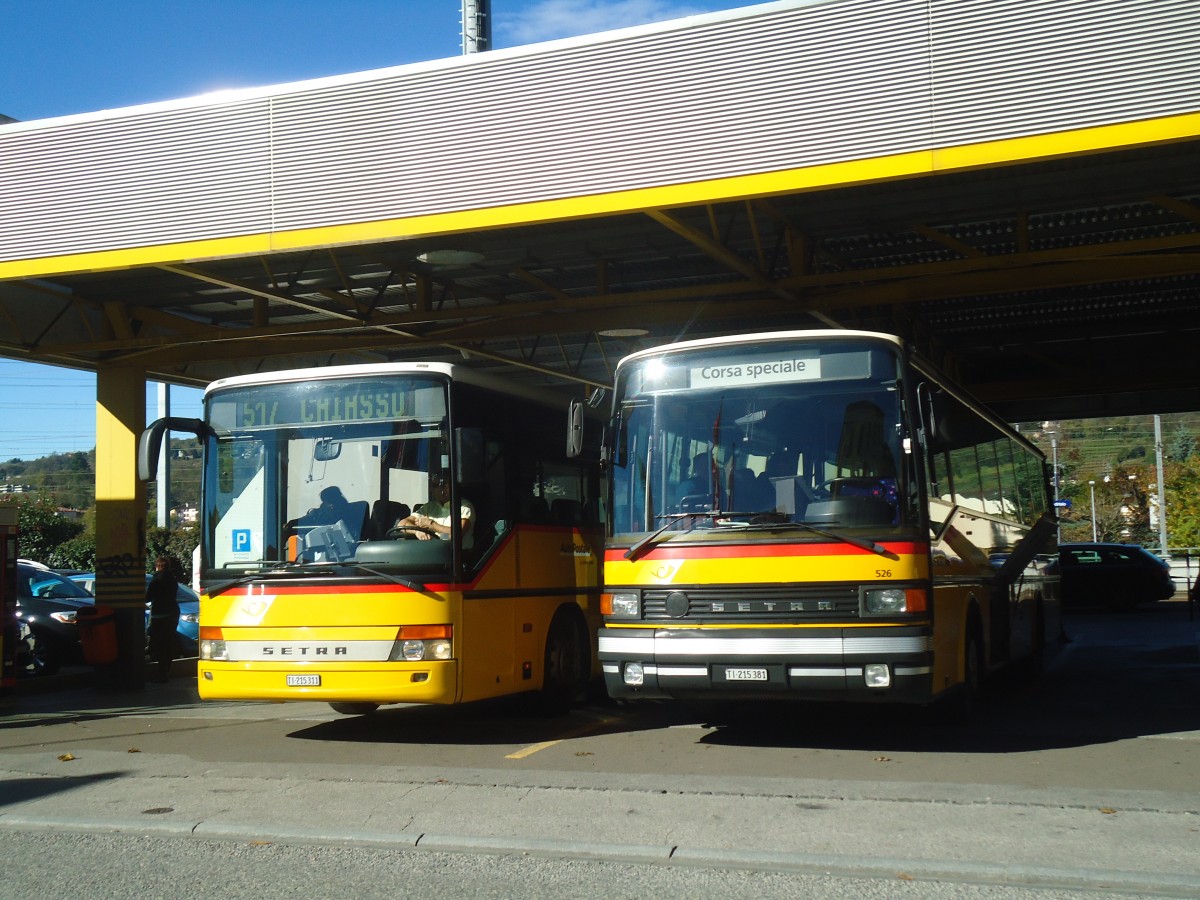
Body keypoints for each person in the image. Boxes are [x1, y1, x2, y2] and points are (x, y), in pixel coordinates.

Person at [395, 473, 475, 548]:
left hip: (457, 557)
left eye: (434, 486)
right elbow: (402, 524)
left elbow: (456, 535)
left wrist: (431, 524)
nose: (431, 490)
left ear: (446, 487)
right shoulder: (429, 506)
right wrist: (417, 531)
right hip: (432, 553)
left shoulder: (464, 507)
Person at [146, 555, 181, 683]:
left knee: (159, 644)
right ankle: (167, 670)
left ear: (158, 566)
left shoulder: (156, 580)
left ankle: (161, 672)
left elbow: (148, 597)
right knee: (168, 642)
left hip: (159, 615)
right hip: (172, 613)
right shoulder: (173, 579)